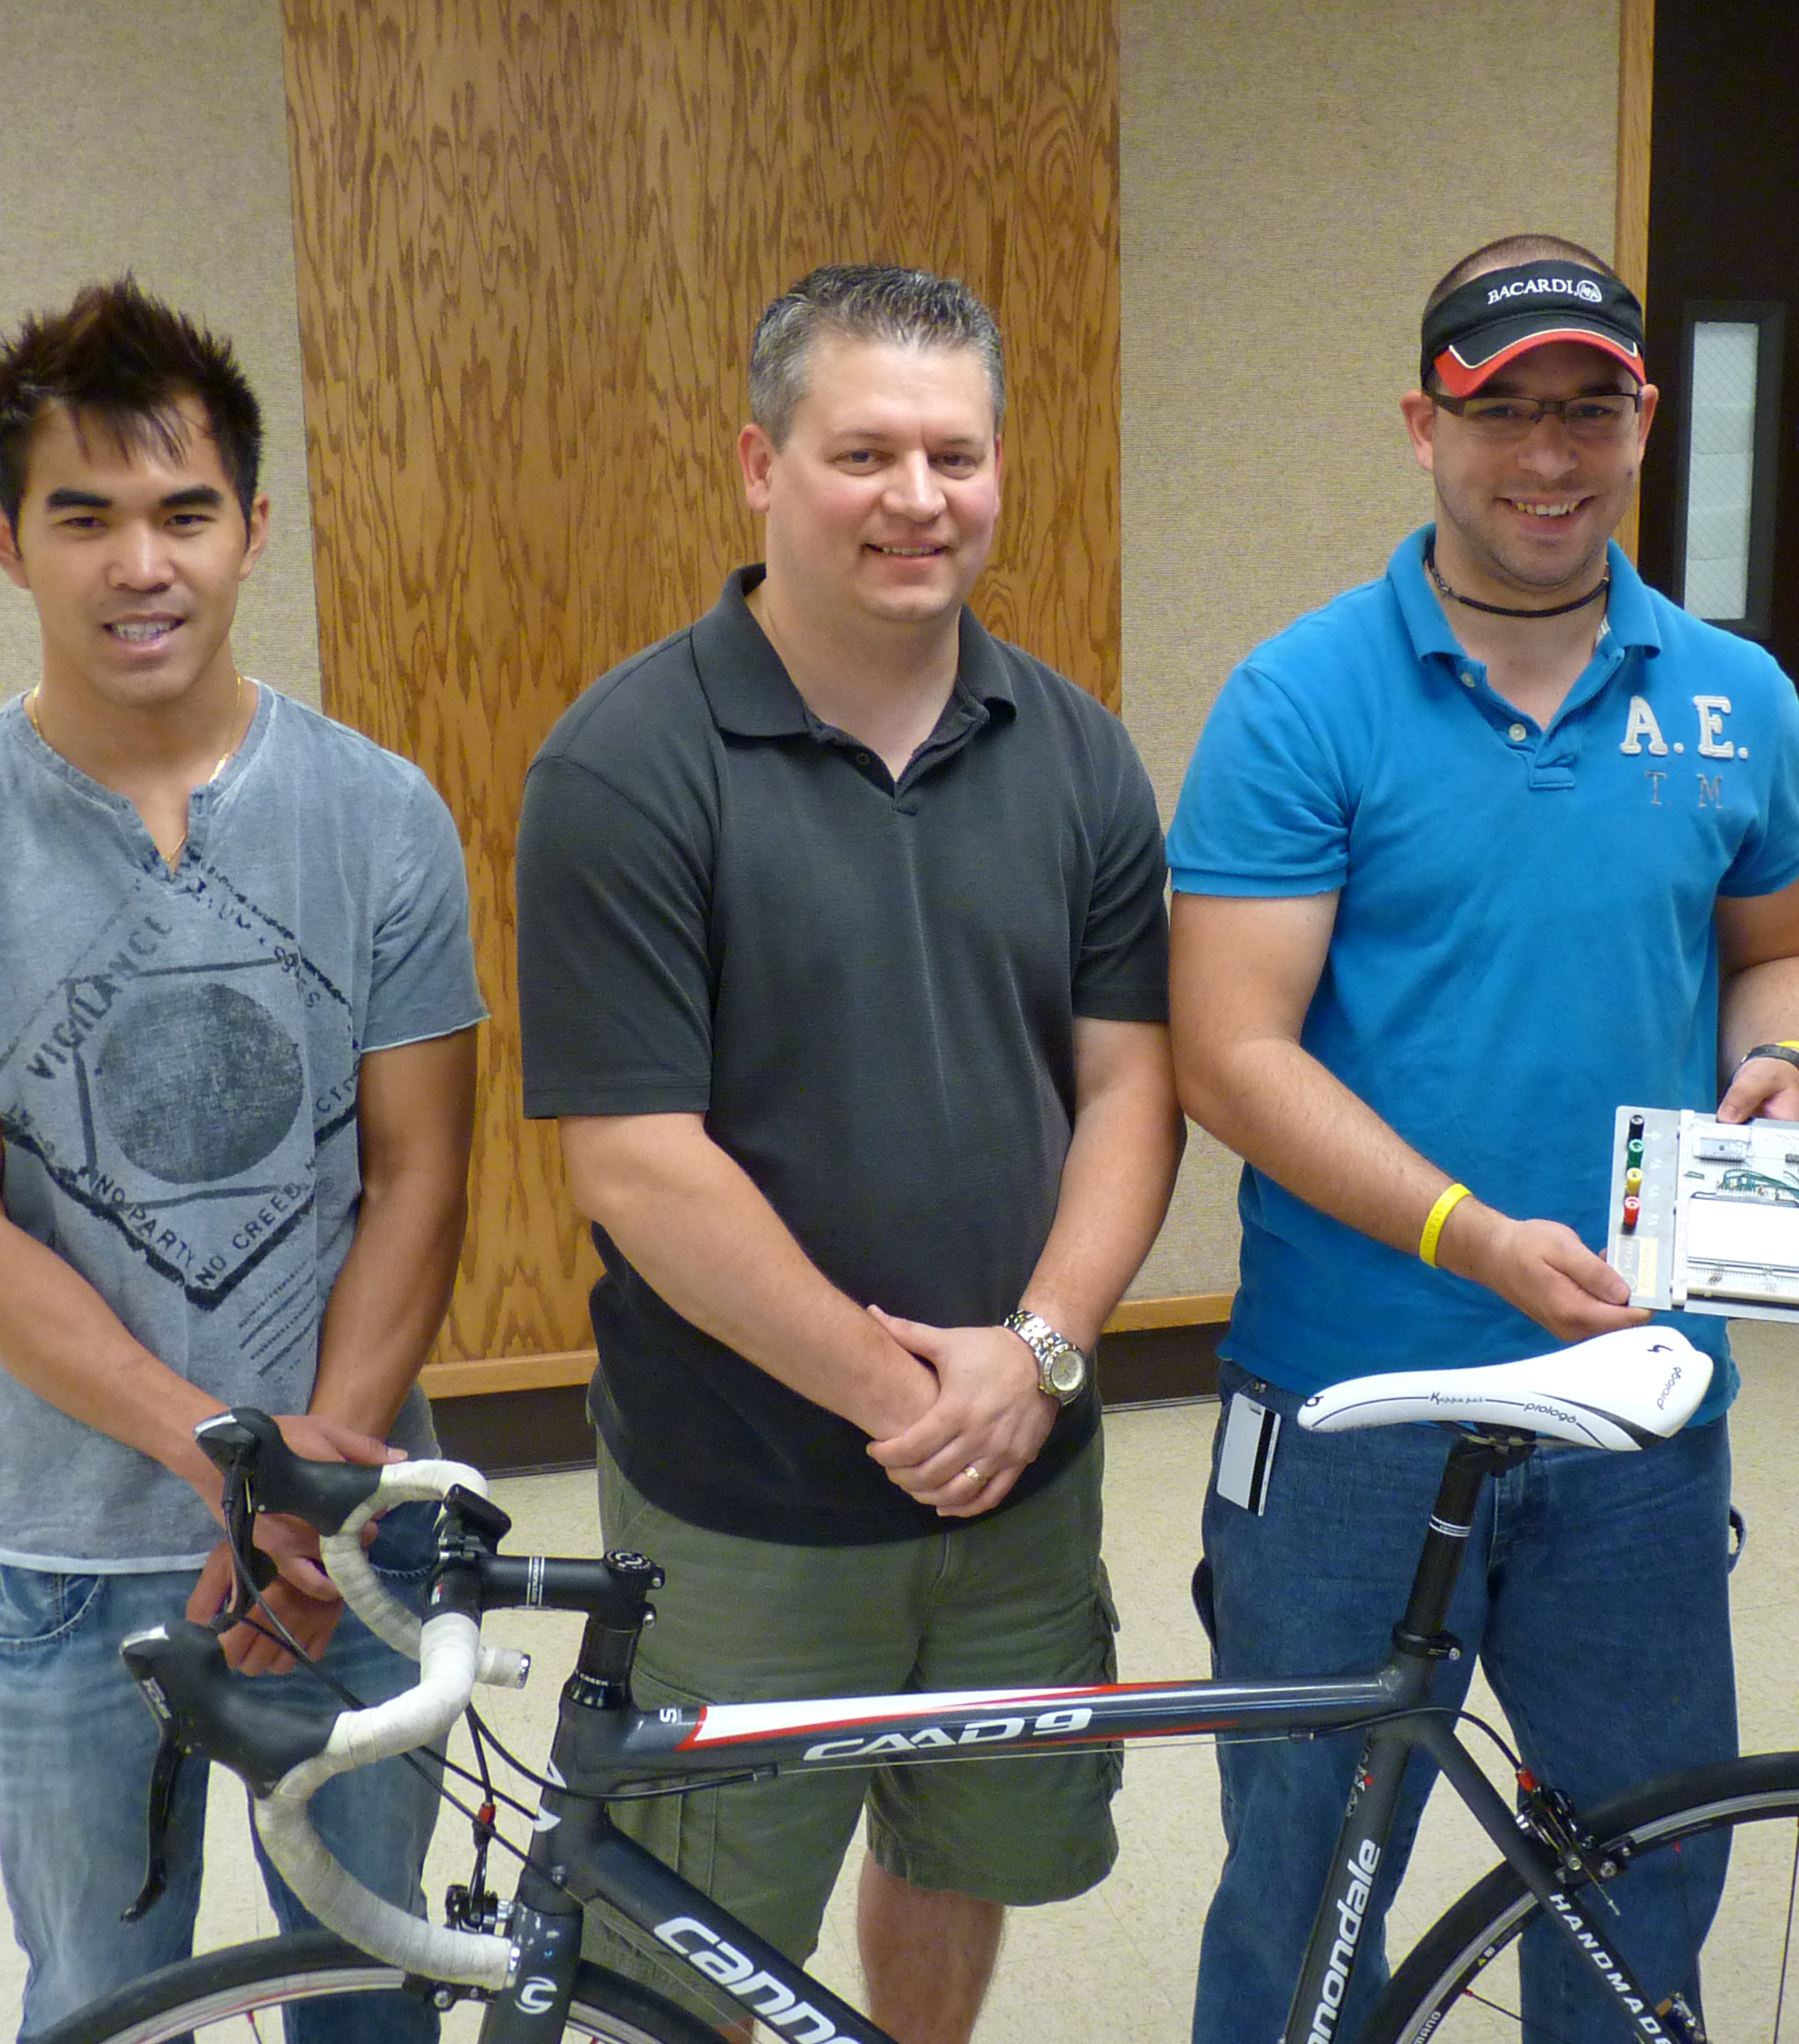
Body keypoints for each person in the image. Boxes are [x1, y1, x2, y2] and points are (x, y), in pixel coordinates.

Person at [1166, 234, 1799, 2044]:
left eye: (1590, 411)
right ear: (1423, 425)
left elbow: (1786, 952)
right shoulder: (1302, 697)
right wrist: (1469, 1238)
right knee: (1309, 1872)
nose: (1550, 457)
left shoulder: (1735, 694)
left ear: (1640, 423)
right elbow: (1227, 1054)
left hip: (1635, 1400)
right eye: (1504, 413)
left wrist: (1778, 1061)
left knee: (1640, 1863)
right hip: (1350, 1404)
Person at [514, 263, 1180, 2044]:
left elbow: (1132, 1091)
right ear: (758, 462)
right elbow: (640, 1165)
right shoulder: (628, 767)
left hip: (1022, 1469)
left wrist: (1032, 1361)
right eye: (864, 451)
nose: (917, 499)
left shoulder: (1080, 755)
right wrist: (912, 1395)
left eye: (955, 455)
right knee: (703, 1927)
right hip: (750, 1500)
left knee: (963, 1845)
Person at [0, 278, 484, 2042]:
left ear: (252, 527)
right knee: (107, 1993)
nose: (143, 564)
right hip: (65, 1547)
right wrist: (223, 1466)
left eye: (186, 513)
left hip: (346, 1532)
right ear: (1, 538)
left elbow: (422, 1176)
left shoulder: (383, 814)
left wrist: (305, 1496)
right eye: (87, 518)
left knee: (377, 1980)